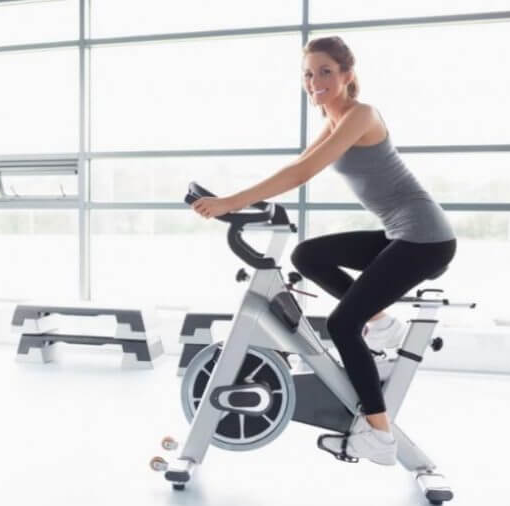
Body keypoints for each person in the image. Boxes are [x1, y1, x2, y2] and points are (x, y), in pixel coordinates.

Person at [189, 36, 456, 466]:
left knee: (342, 324)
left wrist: (229, 202)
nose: (315, 81)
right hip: (402, 234)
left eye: (326, 72)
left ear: (347, 74)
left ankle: (379, 436)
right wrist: (239, 202)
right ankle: (384, 326)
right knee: (307, 256)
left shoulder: (361, 115)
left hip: (425, 238)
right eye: (309, 74)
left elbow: (302, 173)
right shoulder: (334, 121)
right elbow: (296, 165)